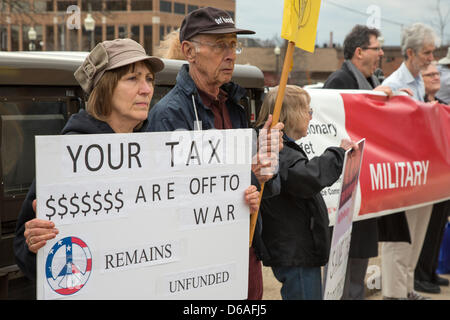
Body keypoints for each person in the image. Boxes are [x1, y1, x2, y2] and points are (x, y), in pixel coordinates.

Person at [13, 38, 261, 283]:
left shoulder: (155, 149)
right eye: (133, 79)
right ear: (105, 87)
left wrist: (238, 205)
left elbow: (183, 222)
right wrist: (35, 244)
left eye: (149, 79)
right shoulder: (67, 158)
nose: (146, 89)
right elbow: (28, 258)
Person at [147, 7, 283, 300]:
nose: (231, 54)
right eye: (220, 44)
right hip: (197, 262)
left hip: (245, 252)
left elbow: (266, 190)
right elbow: (168, 199)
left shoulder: (236, 104)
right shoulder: (169, 115)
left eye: (233, 44)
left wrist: (270, 160)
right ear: (189, 51)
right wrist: (251, 173)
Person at [256, 85, 358, 300]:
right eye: (307, 111)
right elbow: (308, 178)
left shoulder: (281, 148)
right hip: (295, 252)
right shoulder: (278, 151)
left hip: (297, 249)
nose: (311, 117)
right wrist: (338, 154)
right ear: (292, 114)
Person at [323, 25, 392, 300]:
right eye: (377, 48)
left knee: (358, 266)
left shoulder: (374, 83)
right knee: (340, 267)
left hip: (366, 190)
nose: (382, 53)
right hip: (345, 191)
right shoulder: (339, 81)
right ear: (360, 51)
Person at [379, 22, 439, 300]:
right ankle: (393, 294)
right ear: (411, 53)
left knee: (415, 239)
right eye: (427, 53)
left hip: (421, 174)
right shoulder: (392, 85)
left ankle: (408, 289)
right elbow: (381, 129)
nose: (432, 58)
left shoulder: (418, 82)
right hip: (399, 176)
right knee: (398, 242)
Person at [413, 62, 450, 294]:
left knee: (438, 224)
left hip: (442, 176)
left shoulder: (443, 106)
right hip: (424, 177)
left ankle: (430, 272)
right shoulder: (417, 105)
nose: (436, 77)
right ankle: (419, 275)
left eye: (437, 73)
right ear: (420, 79)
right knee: (424, 230)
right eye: (430, 74)